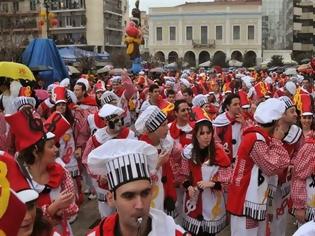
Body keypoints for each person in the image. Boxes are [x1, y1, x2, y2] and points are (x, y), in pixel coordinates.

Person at [86, 139, 189, 236]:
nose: (140, 205)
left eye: (145, 193)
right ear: (111, 198)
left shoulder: (171, 232)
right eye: (129, 196)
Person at [5, 107, 78, 235]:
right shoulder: (18, 179)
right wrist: (53, 208)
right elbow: (18, 219)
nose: (56, 150)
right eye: (50, 146)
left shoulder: (61, 172)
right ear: (35, 151)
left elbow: (73, 207)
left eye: (55, 145)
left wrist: (61, 209)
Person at [227, 98, 291, 236]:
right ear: (276, 122)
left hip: (251, 200)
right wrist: (277, 141)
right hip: (246, 201)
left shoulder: (258, 136)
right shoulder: (256, 139)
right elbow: (273, 166)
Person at [181, 110, 231, 235]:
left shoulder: (219, 153)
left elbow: (228, 179)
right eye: (202, 133)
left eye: (208, 132)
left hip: (212, 202)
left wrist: (213, 183)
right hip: (193, 202)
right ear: (196, 135)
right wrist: (189, 187)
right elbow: (182, 175)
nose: (206, 136)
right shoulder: (188, 152)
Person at [82, 104, 136, 218]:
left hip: (126, 181)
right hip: (105, 186)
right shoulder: (96, 138)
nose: (119, 124)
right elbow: (86, 160)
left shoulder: (129, 135)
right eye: (114, 121)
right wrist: (98, 176)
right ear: (106, 122)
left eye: (120, 120)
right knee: (107, 217)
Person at [135, 105, 173, 212]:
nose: (167, 128)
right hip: (151, 200)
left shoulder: (165, 143)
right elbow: (139, 182)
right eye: (163, 125)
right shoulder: (141, 150)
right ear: (153, 130)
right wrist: (157, 165)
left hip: (165, 194)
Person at [213, 94, 244, 162]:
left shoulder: (244, 118)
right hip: (225, 159)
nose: (238, 106)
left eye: (239, 104)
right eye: (235, 104)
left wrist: (244, 124)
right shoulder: (220, 120)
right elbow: (215, 140)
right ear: (228, 106)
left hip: (240, 159)